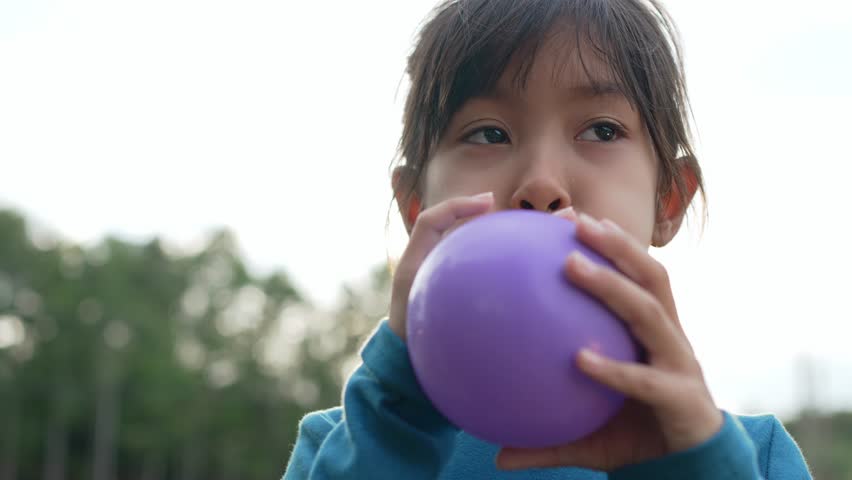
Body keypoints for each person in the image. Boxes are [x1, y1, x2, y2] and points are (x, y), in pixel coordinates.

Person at [283, 0, 812, 478]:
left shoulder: (754, 457)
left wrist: (687, 465)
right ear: (417, 207)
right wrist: (396, 413)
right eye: (489, 133)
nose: (541, 183)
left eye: (601, 130)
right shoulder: (345, 448)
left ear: (668, 200)